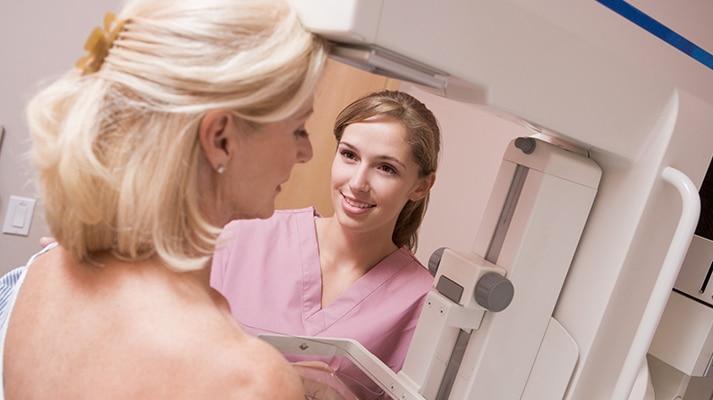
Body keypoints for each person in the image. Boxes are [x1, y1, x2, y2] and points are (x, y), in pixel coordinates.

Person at [0, 0, 328, 398]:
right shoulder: (246, 379)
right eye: (298, 129)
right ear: (221, 139)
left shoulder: (41, 272)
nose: (306, 152)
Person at [211, 90, 441, 399]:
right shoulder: (244, 235)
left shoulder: (422, 302)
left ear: (421, 185)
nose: (358, 183)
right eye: (349, 155)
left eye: (386, 168)